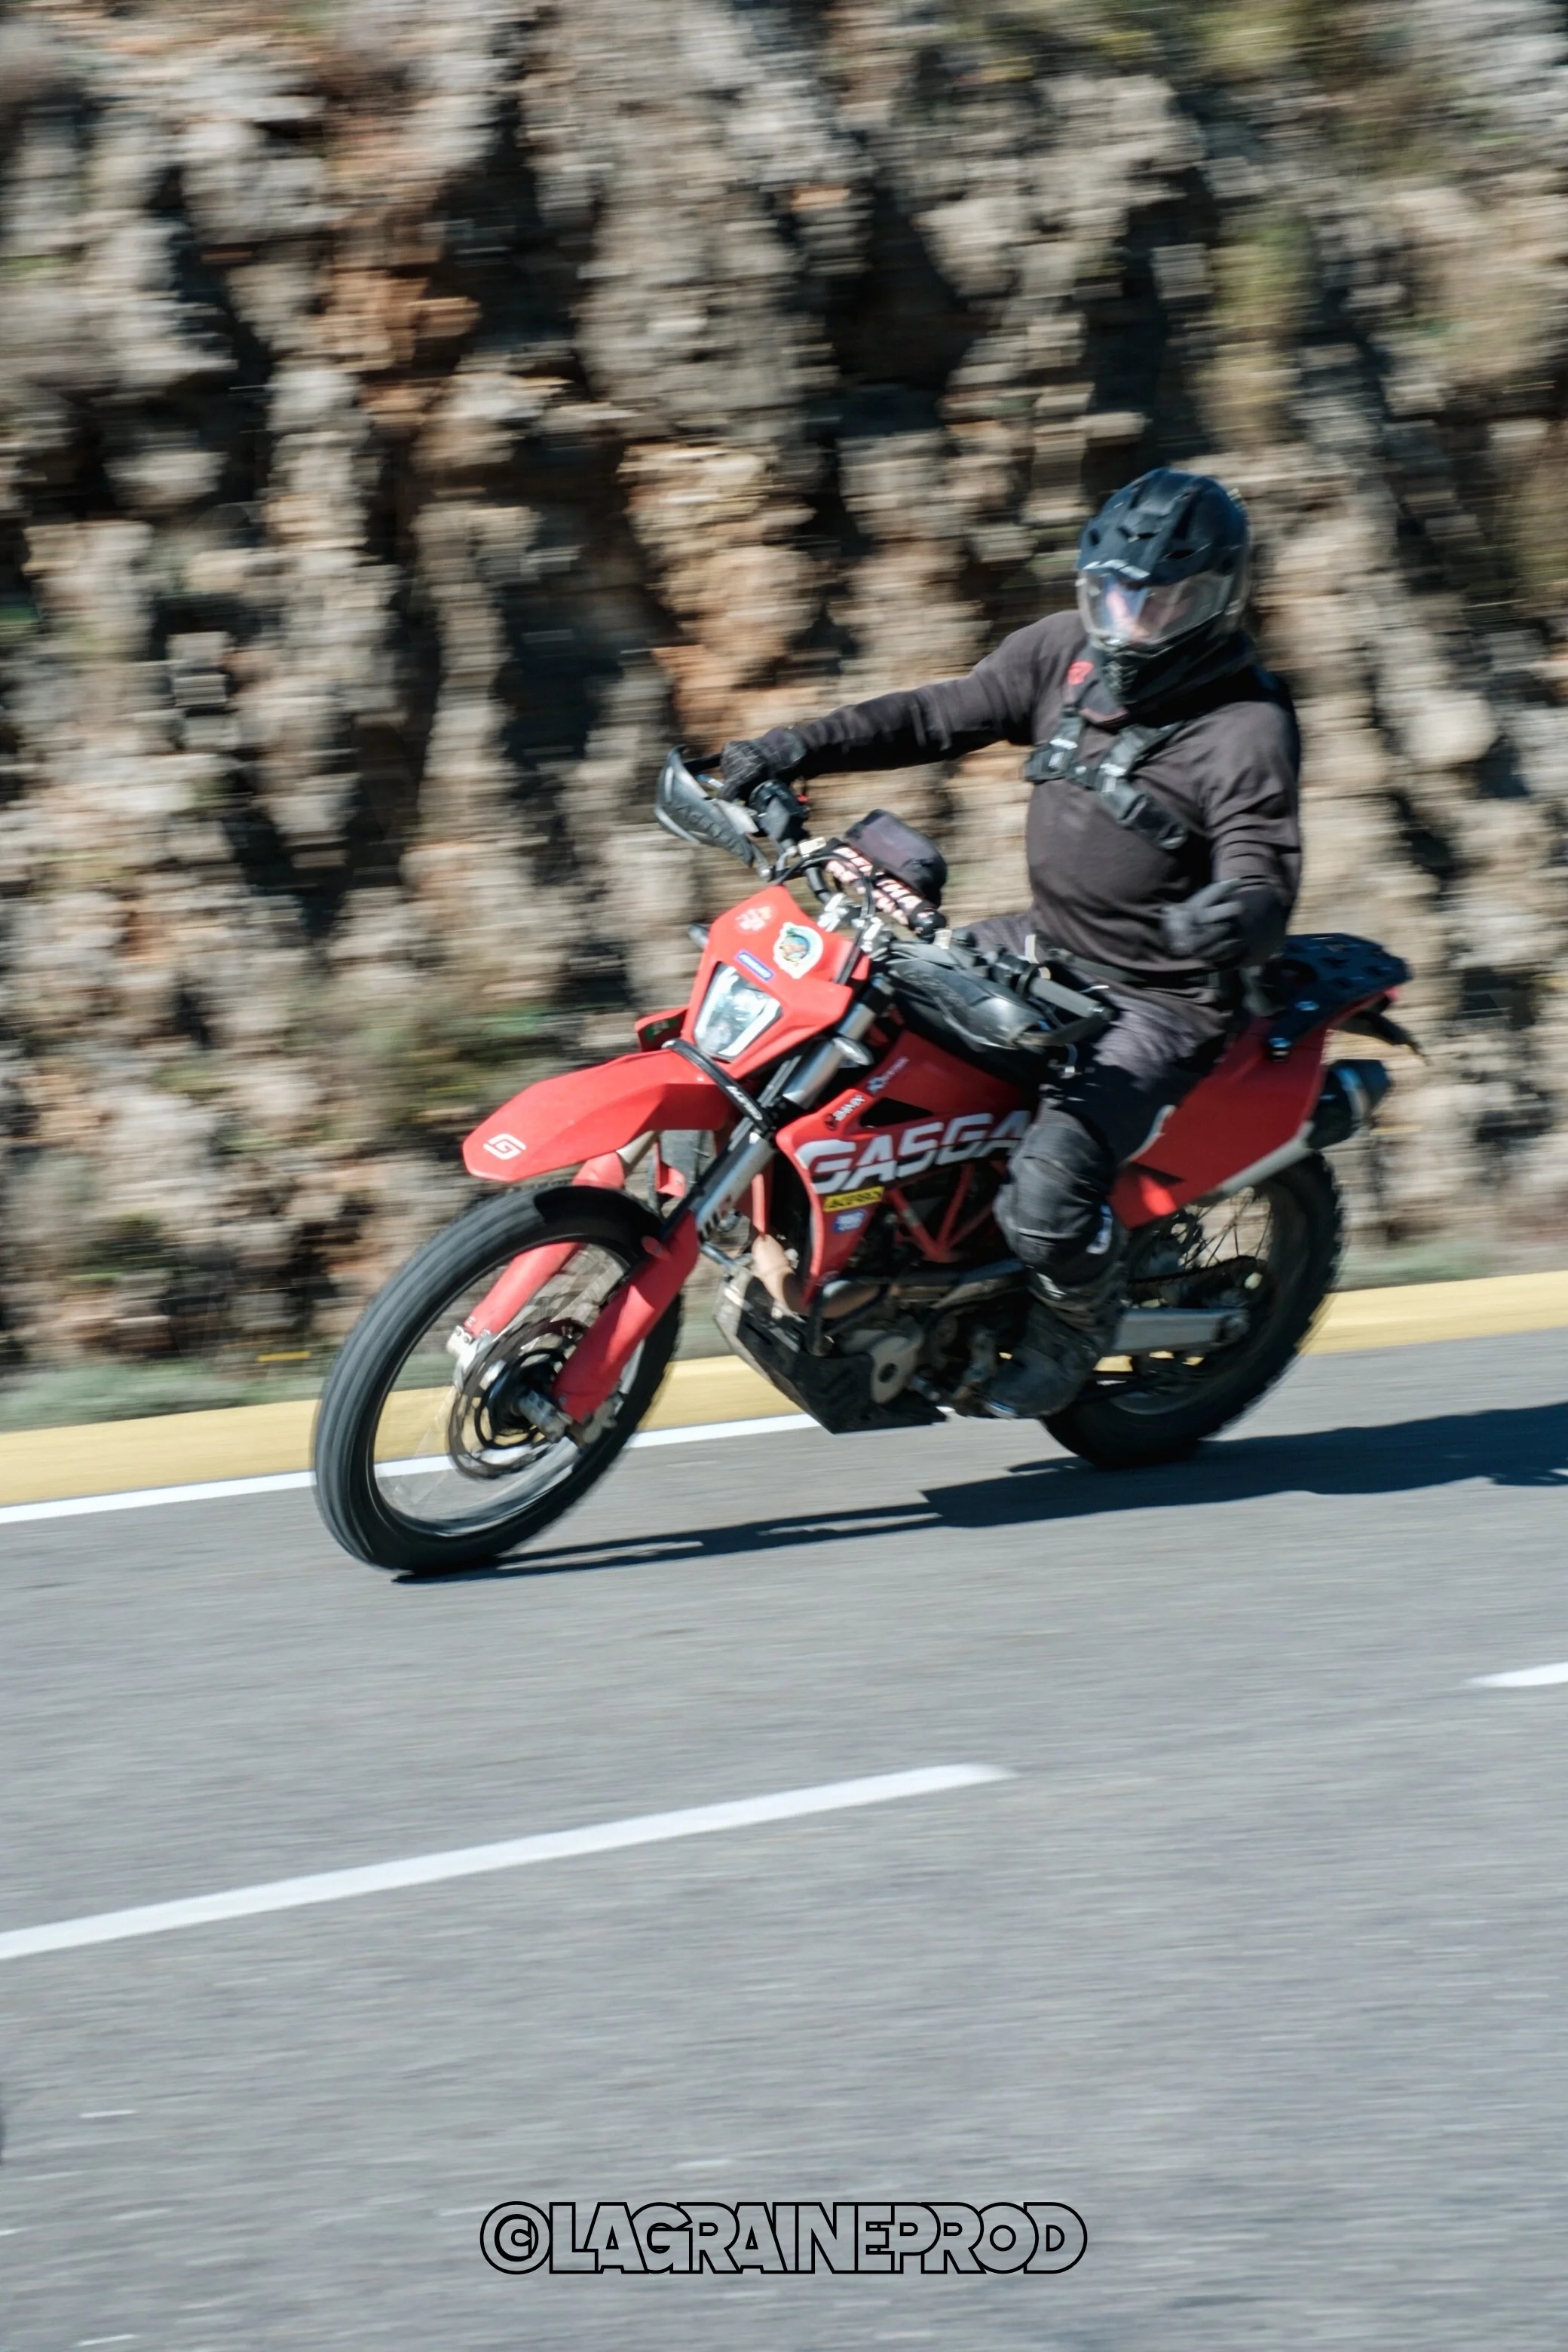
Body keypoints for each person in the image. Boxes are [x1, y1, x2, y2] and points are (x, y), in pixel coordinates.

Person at [718, 467, 1303, 1417]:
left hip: (1159, 998)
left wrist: (1232, 914)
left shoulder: (1245, 727)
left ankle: (1072, 1325)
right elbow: (934, 715)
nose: (1133, 624)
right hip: (1044, 944)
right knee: (850, 1019)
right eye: (1115, 597)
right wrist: (793, 749)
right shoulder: (1065, 651)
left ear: (1219, 599)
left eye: (1166, 603)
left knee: (1048, 1191)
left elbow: (1261, 864)